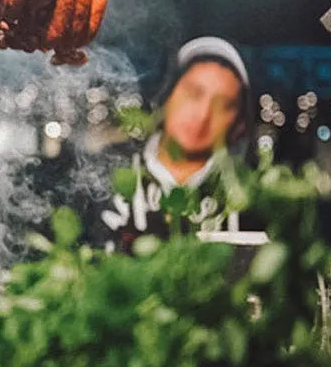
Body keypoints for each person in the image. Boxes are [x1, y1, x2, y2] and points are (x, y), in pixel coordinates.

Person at [98, 36, 258, 251]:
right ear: (167, 94)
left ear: (238, 123)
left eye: (223, 105)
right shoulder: (107, 176)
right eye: (194, 93)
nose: (203, 115)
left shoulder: (249, 195)